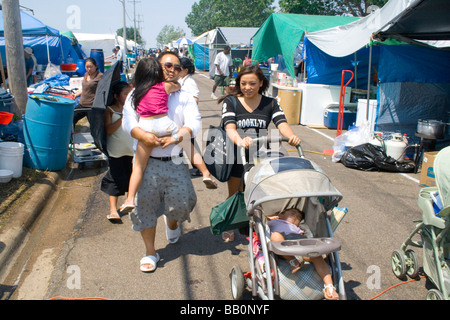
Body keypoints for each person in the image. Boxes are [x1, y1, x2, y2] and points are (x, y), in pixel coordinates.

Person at [122, 51, 201, 272]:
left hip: (175, 159)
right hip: (147, 162)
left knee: (181, 203)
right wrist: (141, 135)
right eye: (168, 65)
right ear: (158, 66)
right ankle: (150, 251)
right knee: (143, 205)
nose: (172, 70)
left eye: (177, 67)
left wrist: (177, 136)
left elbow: (194, 123)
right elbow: (128, 122)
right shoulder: (136, 94)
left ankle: (172, 221)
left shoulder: (182, 95)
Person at [219, 64, 301, 242]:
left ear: (261, 83)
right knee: (236, 193)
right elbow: (230, 127)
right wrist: (240, 140)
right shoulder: (231, 102)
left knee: (260, 192)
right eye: (243, 83)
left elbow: (281, 123)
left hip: (260, 155)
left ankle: (257, 225)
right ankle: (230, 224)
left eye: (252, 84)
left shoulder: (270, 103)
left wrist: (292, 137)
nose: (247, 88)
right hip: (236, 153)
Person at [119, 57, 182, 213]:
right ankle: (205, 172)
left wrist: (142, 135)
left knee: (138, 167)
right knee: (185, 135)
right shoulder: (165, 85)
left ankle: (129, 199)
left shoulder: (136, 92)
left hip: (145, 128)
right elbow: (178, 86)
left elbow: (128, 120)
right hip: (164, 124)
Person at [268, 208, 339, 300]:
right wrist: (272, 217)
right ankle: (292, 260)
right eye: (293, 213)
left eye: (299, 217)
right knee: (275, 236)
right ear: (280, 215)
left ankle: (329, 287)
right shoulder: (275, 222)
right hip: (283, 247)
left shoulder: (299, 228)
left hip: (301, 246)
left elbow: (307, 235)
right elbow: (263, 221)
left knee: (317, 256)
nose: (296, 217)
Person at [179, 57, 217, 189]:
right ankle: (200, 167)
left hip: (188, 119)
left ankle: (201, 168)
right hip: (183, 119)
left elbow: (195, 99)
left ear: (186, 70)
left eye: (179, 68)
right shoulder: (181, 80)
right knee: (189, 144)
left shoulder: (190, 82)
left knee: (190, 144)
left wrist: (186, 111)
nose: (176, 70)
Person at [101, 82, 134, 221]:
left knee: (132, 177)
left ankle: (129, 203)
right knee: (115, 178)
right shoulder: (110, 109)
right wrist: (122, 118)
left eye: (129, 93)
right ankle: (113, 210)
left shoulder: (133, 109)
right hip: (116, 151)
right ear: (116, 96)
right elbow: (108, 130)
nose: (128, 96)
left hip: (131, 150)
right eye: (125, 94)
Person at [73, 58, 103, 126]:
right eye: (87, 67)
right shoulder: (86, 74)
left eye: (91, 66)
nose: (89, 69)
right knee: (71, 119)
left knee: (95, 128)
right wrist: (75, 95)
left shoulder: (100, 76)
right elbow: (84, 88)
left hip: (91, 107)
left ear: (96, 66)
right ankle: (71, 135)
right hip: (82, 105)